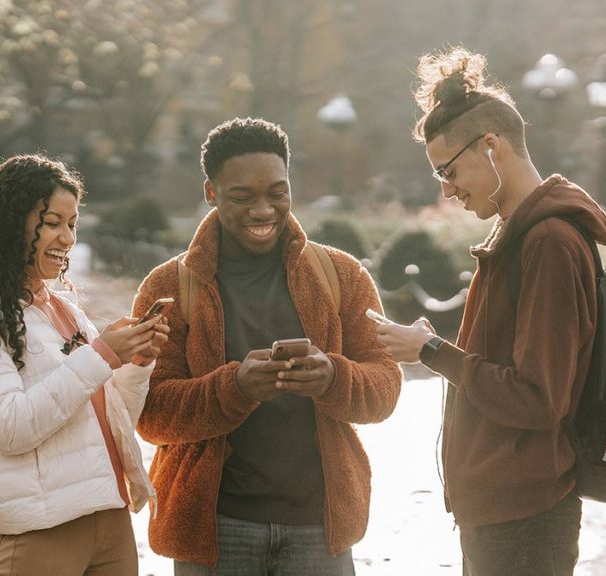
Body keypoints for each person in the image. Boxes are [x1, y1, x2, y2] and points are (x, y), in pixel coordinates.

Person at [375, 46, 606, 576]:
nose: (446, 189)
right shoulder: (518, 234)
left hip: (524, 515)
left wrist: (431, 351)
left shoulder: (548, 241)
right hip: (504, 509)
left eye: (449, 170)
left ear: (492, 146)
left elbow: (537, 399)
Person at [131, 117, 402, 575]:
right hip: (214, 529)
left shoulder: (341, 274)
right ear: (210, 193)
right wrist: (234, 387)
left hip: (321, 527)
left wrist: (333, 376)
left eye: (277, 193)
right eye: (242, 196)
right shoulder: (169, 286)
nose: (263, 210)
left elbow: (386, 388)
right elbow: (149, 412)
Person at [0, 154, 168, 576]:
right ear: (12, 224)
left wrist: (134, 364)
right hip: (41, 533)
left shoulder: (66, 311)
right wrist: (101, 356)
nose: (67, 237)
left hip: (111, 521)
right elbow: (9, 427)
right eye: (53, 221)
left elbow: (109, 424)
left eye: (73, 223)